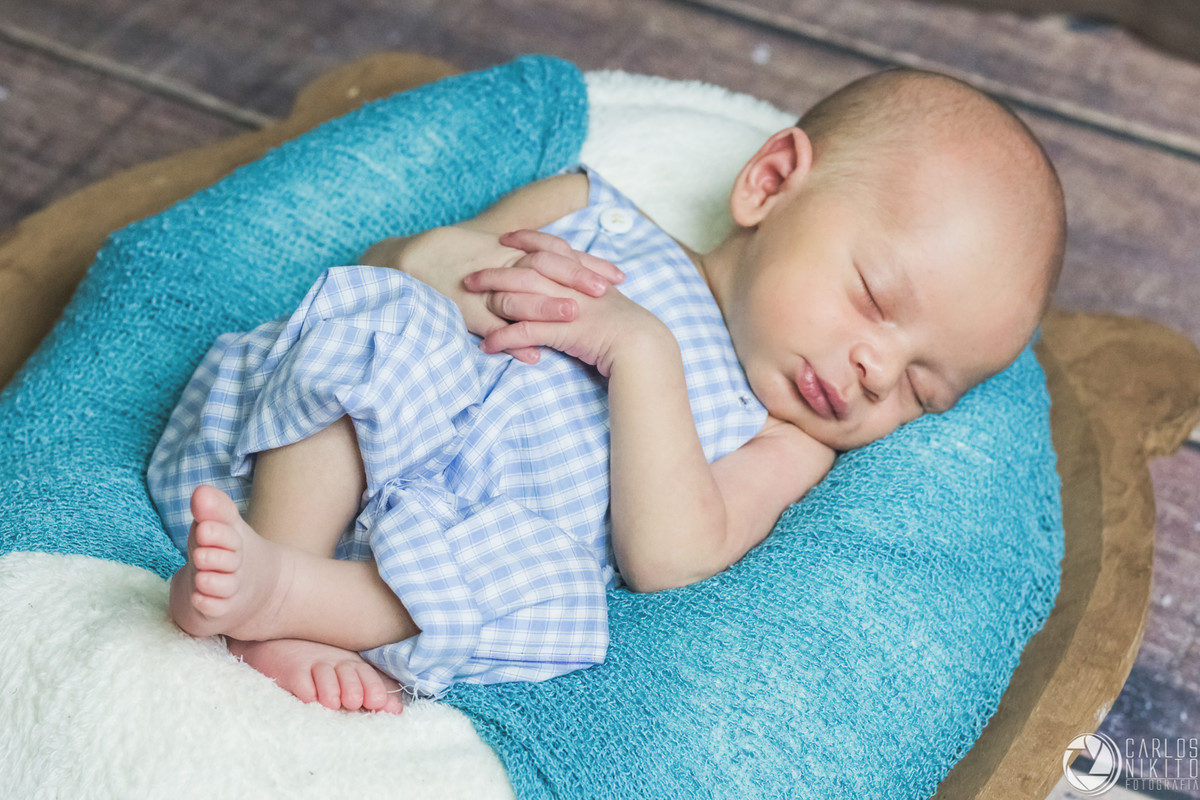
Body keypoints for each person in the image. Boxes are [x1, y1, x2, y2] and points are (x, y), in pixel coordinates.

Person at [147, 68, 1066, 714]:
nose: (875, 370)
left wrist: (642, 351)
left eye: (921, 386)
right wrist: (461, 272)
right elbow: (403, 269)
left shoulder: (786, 444)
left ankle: (285, 604)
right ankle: (274, 555)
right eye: (873, 298)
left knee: (554, 591)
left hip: (462, 551)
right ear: (771, 184)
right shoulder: (593, 212)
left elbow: (667, 557)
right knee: (373, 327)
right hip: (328, 457)